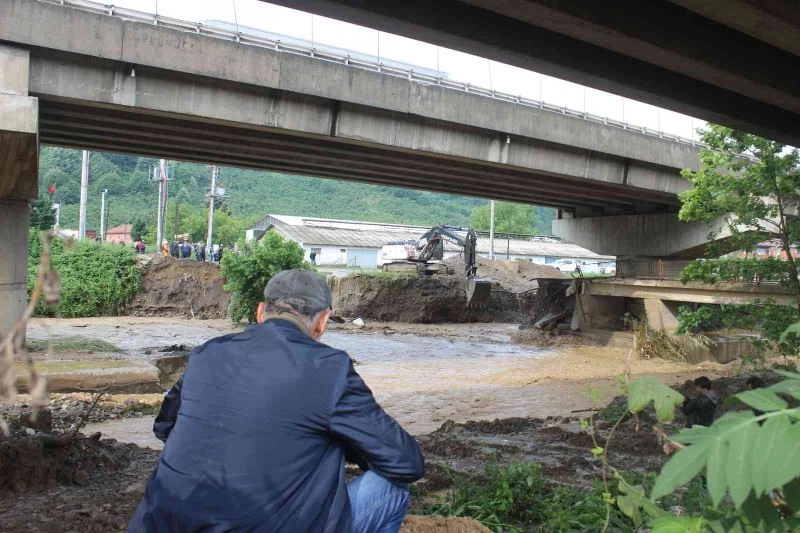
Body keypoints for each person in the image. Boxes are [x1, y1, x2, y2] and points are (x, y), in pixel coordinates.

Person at [129, 269, 423, 532]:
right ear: (322, 322)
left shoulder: (207, 352)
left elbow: (165, 427)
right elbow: (406, 463)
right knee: (391, 488)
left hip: (157, 522)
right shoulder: (329, 368)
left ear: (260, 312)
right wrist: (334, 445)